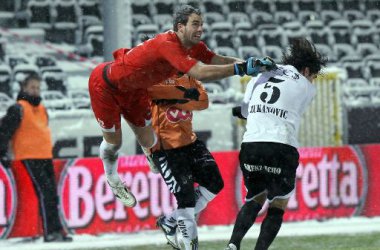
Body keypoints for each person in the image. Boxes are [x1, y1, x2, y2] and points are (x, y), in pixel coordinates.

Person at [88, 4, 276, 207]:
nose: (200, 29)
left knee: (148, 138)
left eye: (202, 24)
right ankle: (113, 179)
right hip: (105, 87)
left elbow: (216, 59)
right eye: (195, 24)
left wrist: (251, 64)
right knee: (114, 143)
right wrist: (241, 68)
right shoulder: (168, 44)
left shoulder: (192, 46)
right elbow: (201, 72)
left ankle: (151, 154)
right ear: (180, 27)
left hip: (135, 90)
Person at [225, 38, 328, 250]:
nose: (313, 81)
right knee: (278, 204)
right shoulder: (307, 87)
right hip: (281, 146)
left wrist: (239, 111)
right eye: (314, 76)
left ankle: (233, 244)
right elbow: (290, 106)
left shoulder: (259, 75)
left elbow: (246, 110)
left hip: (252, 146)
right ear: (306, 70)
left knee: (255, 197)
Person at [144, 73, 224, 249]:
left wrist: (173, 98)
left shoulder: (190, 76)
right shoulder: (154, 75)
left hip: (191, 142)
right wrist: (185, 95)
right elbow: (152, 91)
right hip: (166, 149)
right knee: (186, 201)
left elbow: (203, 101)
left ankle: (169, 220)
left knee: (215, 183)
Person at [0, 74, 72, 242]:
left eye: (38, 88)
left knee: (52, 194)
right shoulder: (17, 108)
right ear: (24, 88)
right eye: (32, 87)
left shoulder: (42, 108)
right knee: (45, 192)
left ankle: (57, 230)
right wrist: (2, 153)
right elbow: (4, 132)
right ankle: (50, 232)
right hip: (29, 155)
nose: (36, 91)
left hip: (45, 155)